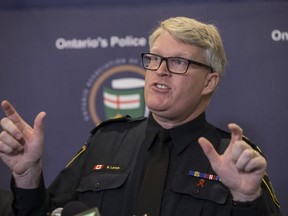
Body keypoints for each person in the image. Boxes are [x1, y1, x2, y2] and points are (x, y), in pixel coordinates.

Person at [0, 16, 282, 216]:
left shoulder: (232, 156)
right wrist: (26, 174)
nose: (160, 70)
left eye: (179, 62)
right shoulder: (105, 141)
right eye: (155, 58)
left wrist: (246, 199)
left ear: (209, 82)